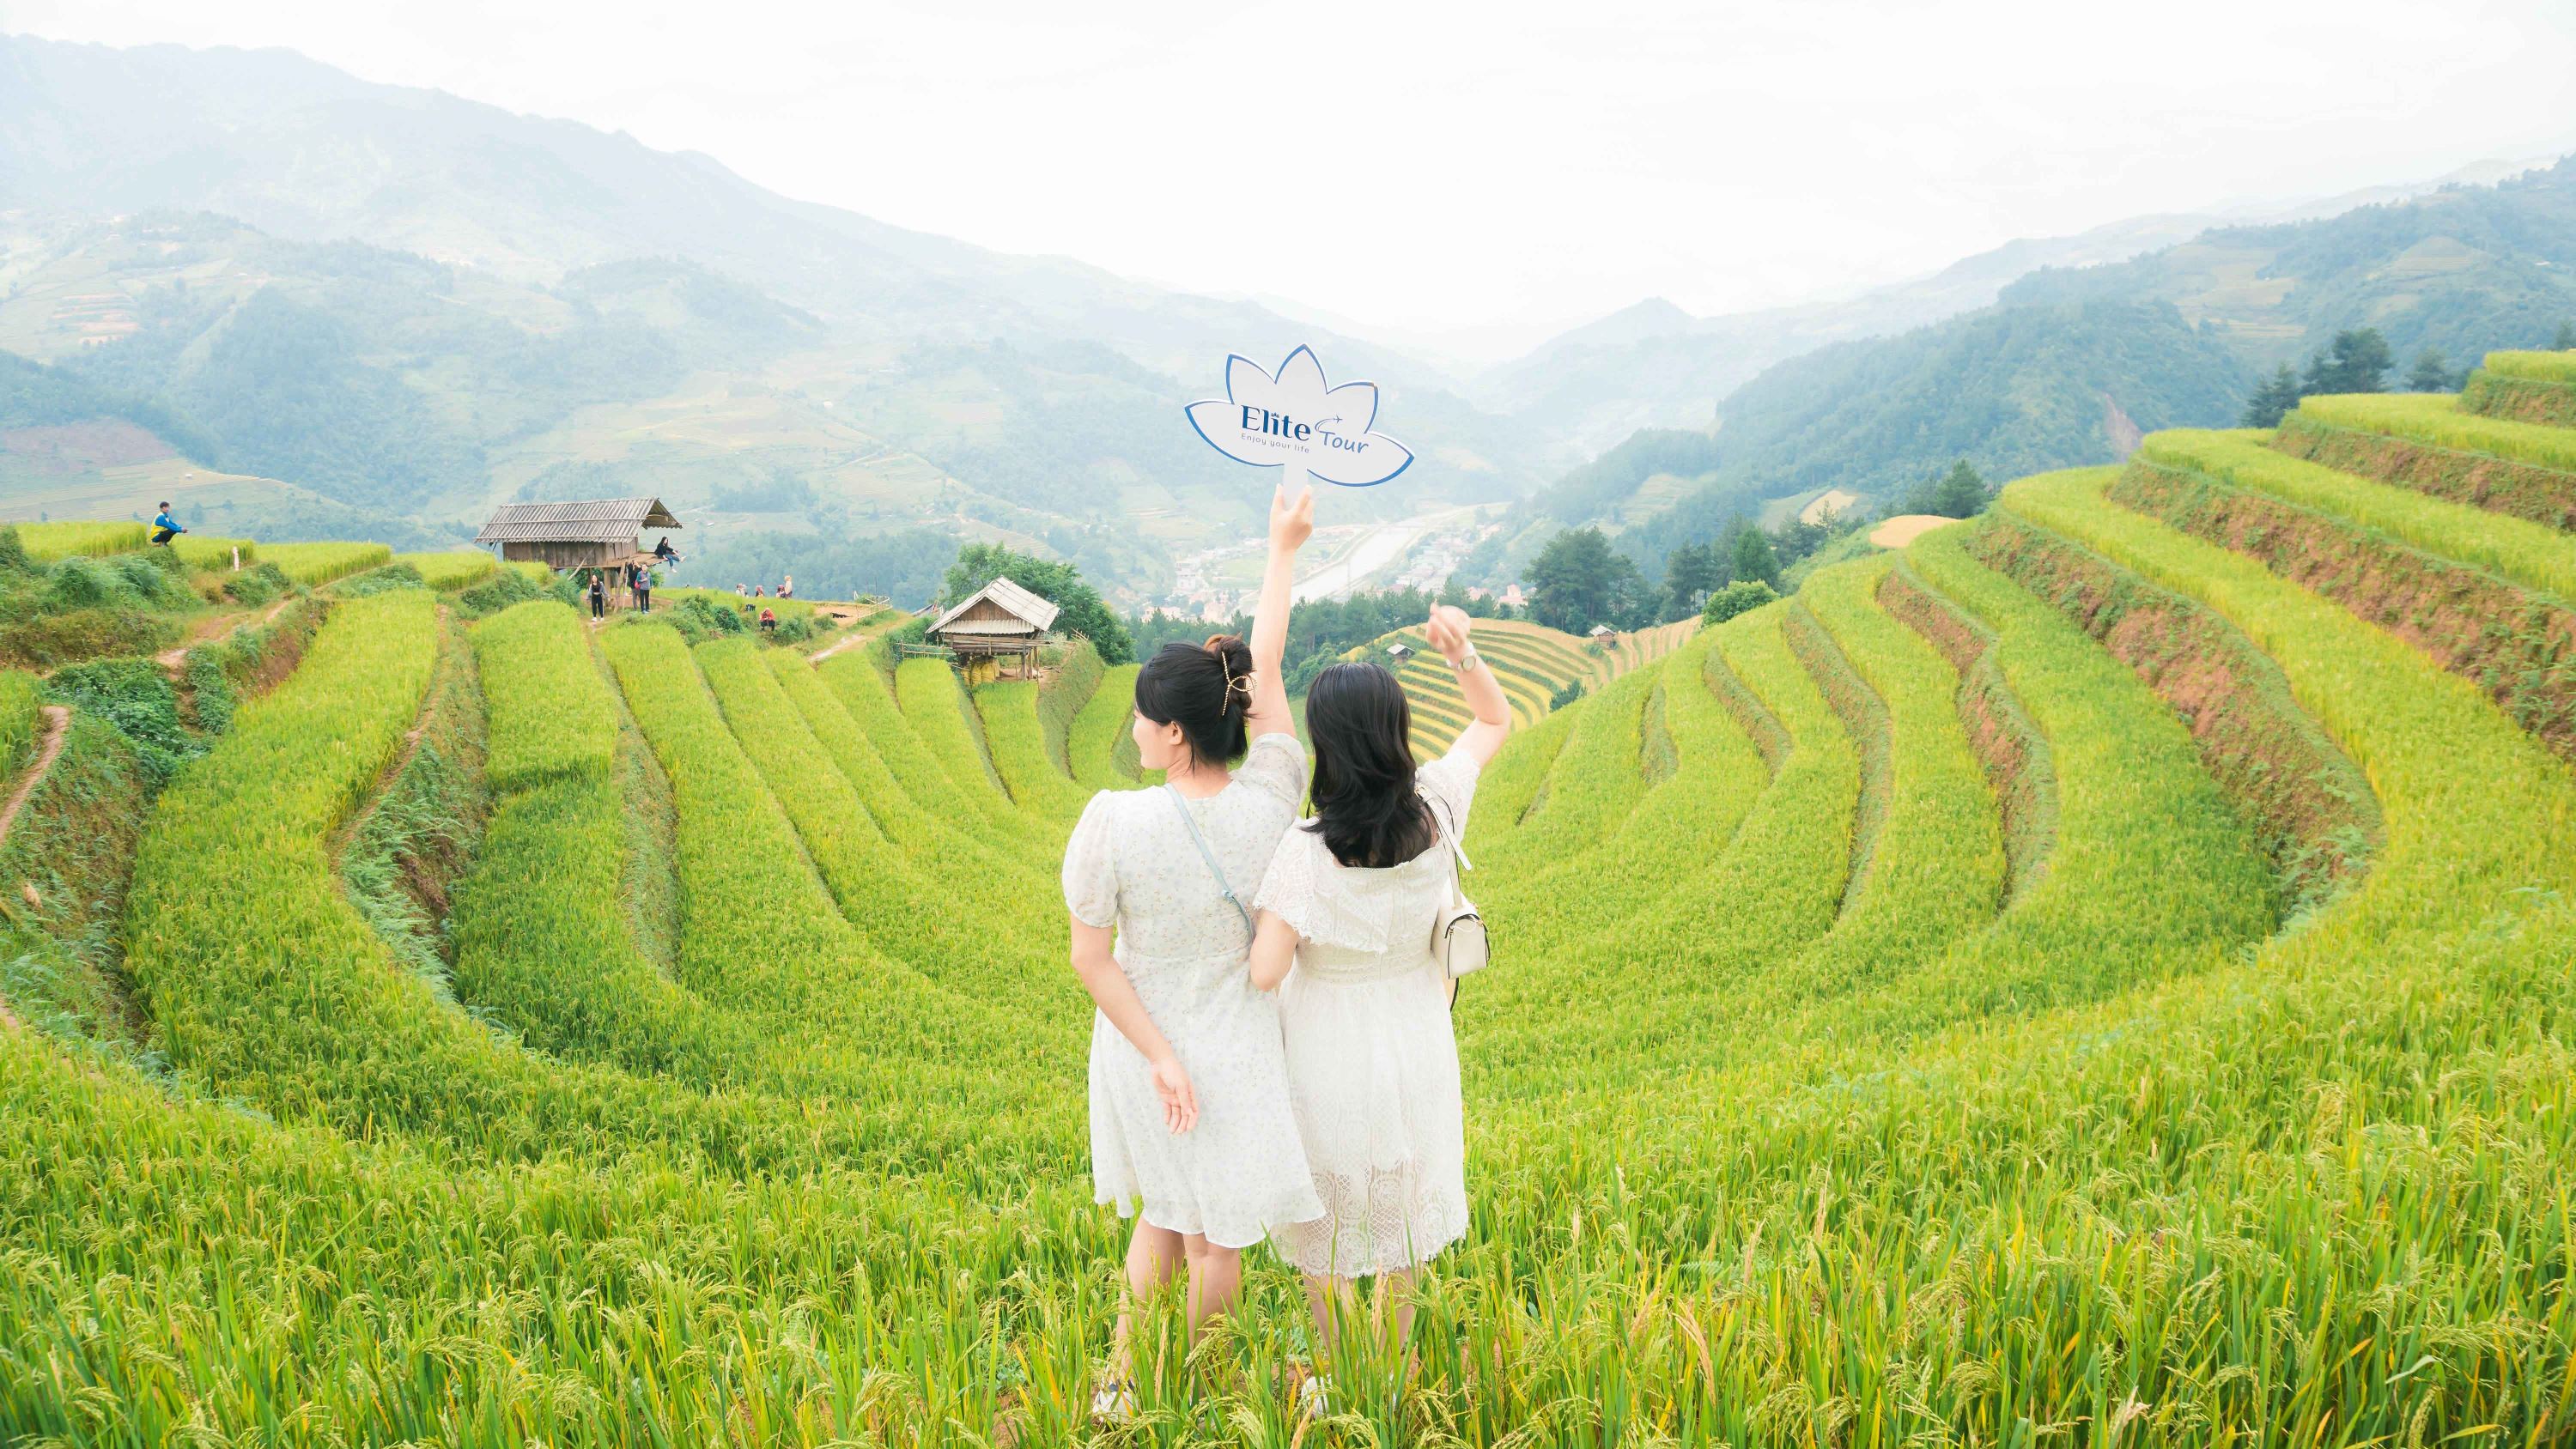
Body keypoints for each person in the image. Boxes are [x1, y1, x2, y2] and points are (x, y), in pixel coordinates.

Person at [1063, 482, 1319, 1420]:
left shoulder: (1112, 822)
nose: (1130, 724)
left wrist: (1162, 1059)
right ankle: (1196, 1389)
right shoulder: (1271, 798)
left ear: (1174, 734)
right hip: (1240, 1044)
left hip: (1145, 1048)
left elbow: (1093, 961)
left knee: (1163, 1214)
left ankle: (1125, 1386)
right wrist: (1281, 551)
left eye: (1139, 714)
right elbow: (1269, 672)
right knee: (1219, 1240)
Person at [1249, 603, 1511, 1403]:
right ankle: (1390, 1378)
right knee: (1399, 1212)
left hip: (1328, 1041)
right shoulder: (1437, 808)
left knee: (1326, 1223)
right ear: (1397, 731)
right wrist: (1461, 650)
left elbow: (1265, 972)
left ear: (1326, 748)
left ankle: (1337, 1374)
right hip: (1416, 1033)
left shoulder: (1303, 853)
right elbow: (1494, 720)